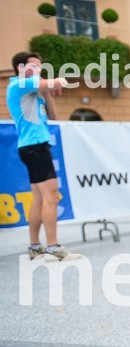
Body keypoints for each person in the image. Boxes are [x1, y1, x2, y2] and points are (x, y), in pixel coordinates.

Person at [5, 51, 73, 260]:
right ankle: (52, 246)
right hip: (35, 146)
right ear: (20, 68)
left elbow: (52, 116)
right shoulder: (20, 84)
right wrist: (55, 83)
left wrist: (48, 92)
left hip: (32, 146)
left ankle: (35, 246)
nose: (39, 70)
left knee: (38, 197)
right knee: (51, 195)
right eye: (34, 66)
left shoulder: (32, 92)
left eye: (39, 67)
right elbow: (61, 80)